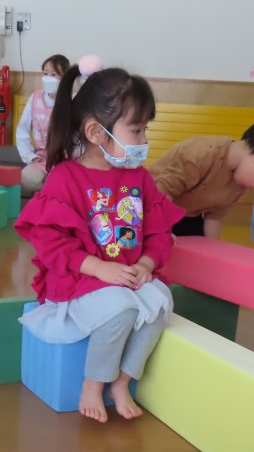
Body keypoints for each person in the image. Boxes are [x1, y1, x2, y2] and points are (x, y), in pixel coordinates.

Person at [15, 60, 185, 424]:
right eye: (136, 131)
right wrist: (98, 267)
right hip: (81, 278)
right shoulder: (66, 177)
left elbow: (158, 234)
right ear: (95, 132)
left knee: (161, 304)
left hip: (127, 275)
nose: (144, 141)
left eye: (145, 130)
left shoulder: (140, 178)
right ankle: (93, 384)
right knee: (121, 310)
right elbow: (51, 243)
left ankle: (122, 381)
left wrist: (147, 263)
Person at [149, 115, 254, 238]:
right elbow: (162, 192)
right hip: (149, 206)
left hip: (186, 216)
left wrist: (212, 251)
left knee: (198, 249)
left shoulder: (240, 181)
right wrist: (162, 234)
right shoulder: (202, 154)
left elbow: (215, 215)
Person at [16, 53, 70, 197]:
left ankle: (50, 190)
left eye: (54, 74)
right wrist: (29, 156)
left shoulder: (73, 101)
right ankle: (48, 191)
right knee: (22, 181)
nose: (48, 78)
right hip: (41, 160)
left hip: (66, 161)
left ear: (65, 78)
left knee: (65, 184)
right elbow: (22, 130)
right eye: (45, 74)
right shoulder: (35, 98)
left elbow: (80, 137)